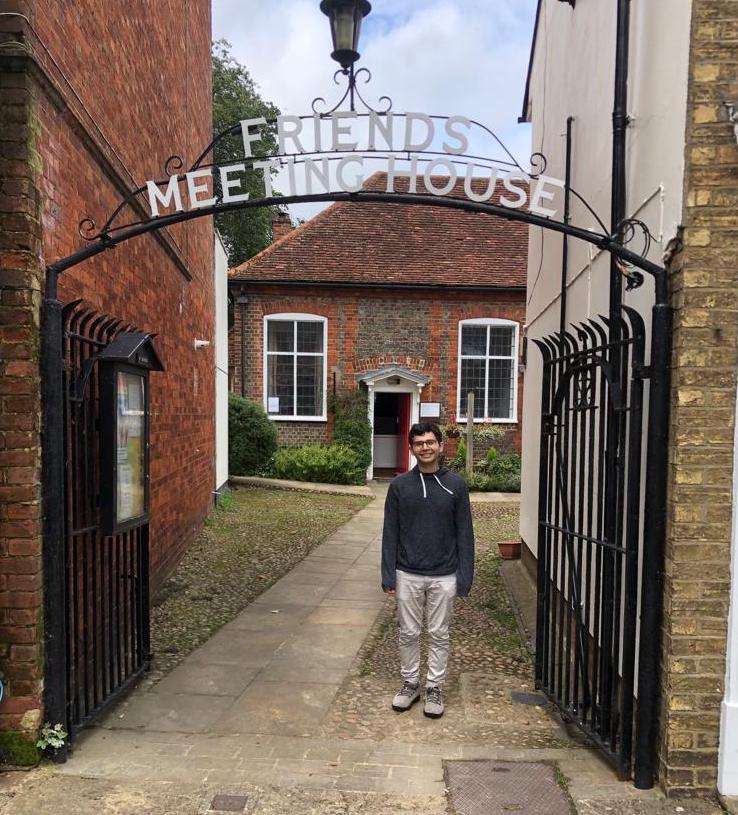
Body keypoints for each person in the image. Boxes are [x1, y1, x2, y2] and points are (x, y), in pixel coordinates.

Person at [381, 422, 474, 719]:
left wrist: (465, 576)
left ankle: (434, 687)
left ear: (440, 445)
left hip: (444, 574)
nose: (425, 447)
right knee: (407, 633)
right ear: (412, 448)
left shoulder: (456, 485)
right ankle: (410, 684)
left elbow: (465, 533)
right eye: (419, 443)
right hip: (407, 572)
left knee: (439, 633)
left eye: (430, 442)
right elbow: (390, 532)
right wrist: (387, 574)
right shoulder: (399, 486)